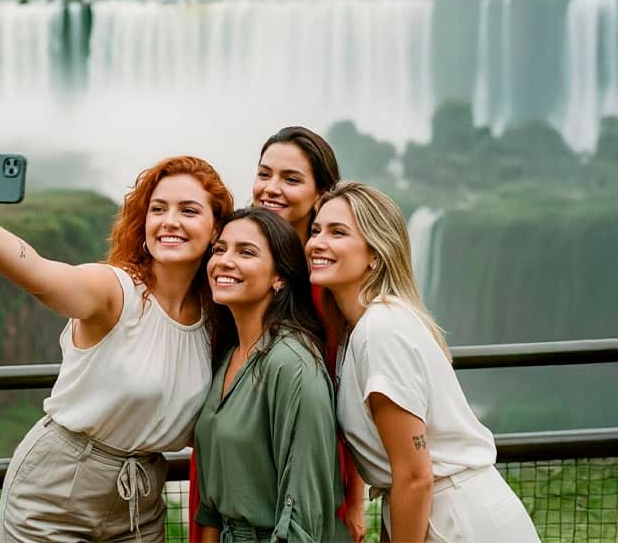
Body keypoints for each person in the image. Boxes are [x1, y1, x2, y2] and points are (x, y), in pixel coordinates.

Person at [0, 145, 234, 542]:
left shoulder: (215, 319)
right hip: (53, 497)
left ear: (216, 228)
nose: (170, 221)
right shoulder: (114, 291)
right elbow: (39, 273)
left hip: (139, 505)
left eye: (189, 210)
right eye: (158, 209)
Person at [307, 181, 540, 543]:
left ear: (375, 253)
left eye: (338, 232)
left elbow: (415, 476)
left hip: (458, 520)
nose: (317, 243)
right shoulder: (367, 327)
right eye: (316, 230)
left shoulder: (381, 330)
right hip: (450, 510)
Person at [194, 207, 349, 542]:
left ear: (280, 277)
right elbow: (211, 510)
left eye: (245, 252)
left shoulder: (292, 364)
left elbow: (304, 515)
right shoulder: (230, 355)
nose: (224, 261)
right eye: (219, 250)